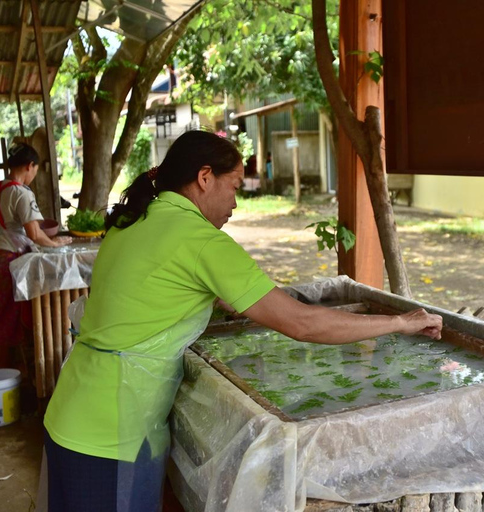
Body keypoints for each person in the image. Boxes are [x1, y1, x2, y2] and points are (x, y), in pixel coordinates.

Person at [41, 130, 442, 512]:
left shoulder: (134, 221)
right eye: (233, 186)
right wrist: (398, 323)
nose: (236, 203)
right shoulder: (200, 241)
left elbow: (148, 294)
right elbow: (302, 324)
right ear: (204, 178)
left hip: (72, 410)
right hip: (113, 434)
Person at [0, 143, 72, 375]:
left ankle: (1, 366)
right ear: (29, 166)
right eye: (35, 169)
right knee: (3, 315)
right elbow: (35, 233)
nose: (34, 174)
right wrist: (56, 244)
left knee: (5, 313)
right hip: (5, 259)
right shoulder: (21, 192)